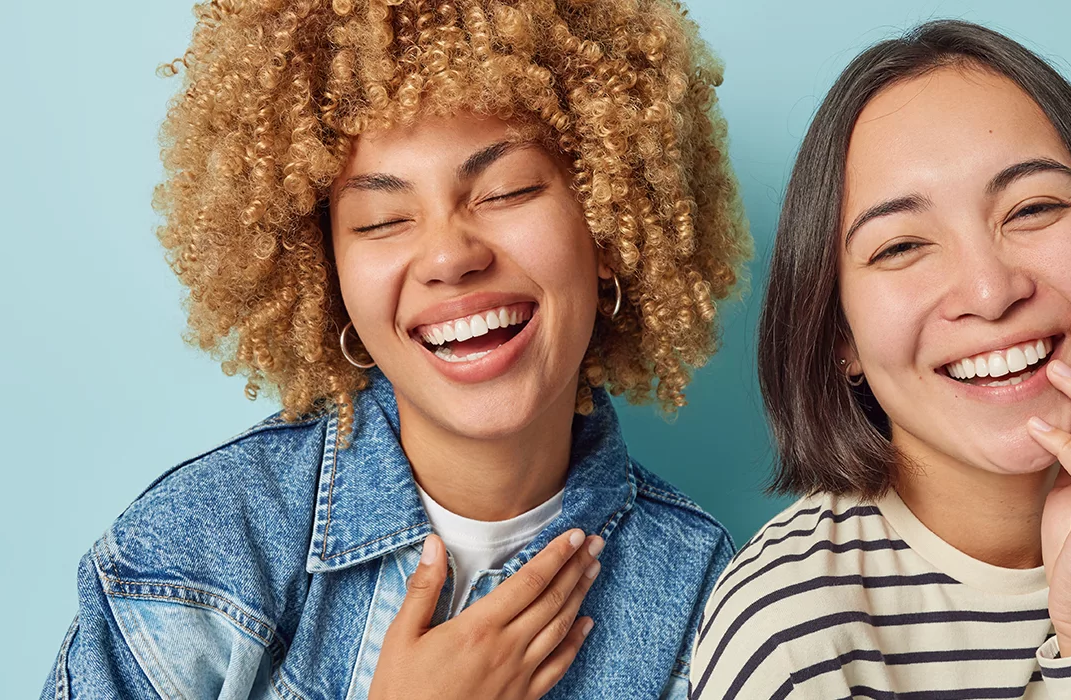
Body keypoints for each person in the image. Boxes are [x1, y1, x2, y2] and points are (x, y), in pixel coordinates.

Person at [42, 1, 750, 698]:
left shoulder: (708, 600)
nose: (450, 255)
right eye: (383, 220)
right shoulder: (200, 550)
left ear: (607, 223)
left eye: (506, 191)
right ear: (325, 278)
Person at [691, 20, 1071, 700]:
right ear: (839, 336)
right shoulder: (785, 628)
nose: (991, 294)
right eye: (901, 246)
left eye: (1033, 208)